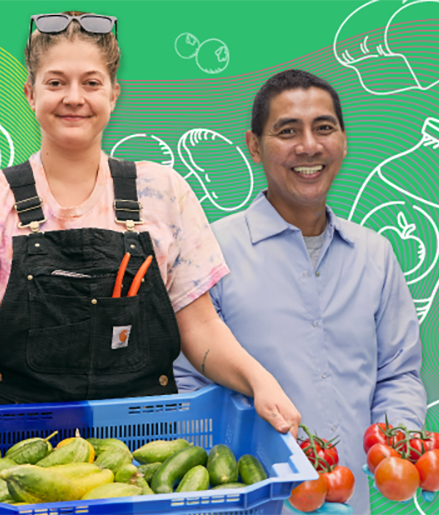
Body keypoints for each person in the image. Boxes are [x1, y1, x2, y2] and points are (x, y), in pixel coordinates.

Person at [0, 11, 301, 466]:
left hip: (147, 452)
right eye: (56, 83)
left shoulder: (163, 193)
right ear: (30, 93)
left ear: (114, 92)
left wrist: (258, 380)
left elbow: (202, 327)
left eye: (91, 83)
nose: (74, 98)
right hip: (16, 451)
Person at [170, 69, 423, 513]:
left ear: (343, 140)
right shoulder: (209, 252)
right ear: (254, 146)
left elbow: (397, 374)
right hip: (248, 502)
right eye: (288, 131)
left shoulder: (375, 255)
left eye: (324, 128)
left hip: (349, 499)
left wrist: (398, 449)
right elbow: (186, 382)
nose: (309, 146)